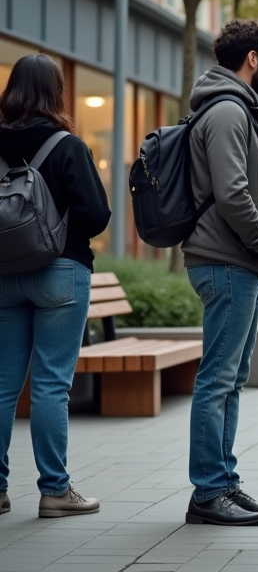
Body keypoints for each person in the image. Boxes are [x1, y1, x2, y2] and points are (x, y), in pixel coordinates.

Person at [0, 55, 111, 519]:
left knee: (4, 386)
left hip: (4, 276)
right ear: (56, 91)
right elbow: (96, 216)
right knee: (50, 387)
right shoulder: (67, 145)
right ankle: (55, 491)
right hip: (61, 274)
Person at [183, 19, 258, 527]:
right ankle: (207, 492)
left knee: (231, 377)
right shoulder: (226, 110)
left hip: (235, 259)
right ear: (250, 59)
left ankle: (223, 480)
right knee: (218, 378)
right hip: (226, 260)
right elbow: (233, 193)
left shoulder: (234, 106)